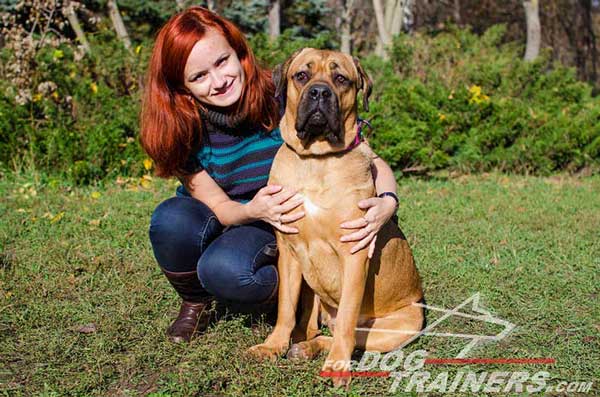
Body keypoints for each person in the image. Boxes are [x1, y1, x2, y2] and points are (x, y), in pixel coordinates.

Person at [140, 6, 401, 343]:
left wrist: (388, 202)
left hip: (279, 224)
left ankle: (285, 295)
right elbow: (219, 206)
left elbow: (369, 159)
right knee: (170, 220)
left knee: (225, 270)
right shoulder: (179, 125)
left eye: (222, 62)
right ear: (182, 86)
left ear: (239, 53)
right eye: (199, 76)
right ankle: (196, 302)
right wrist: (252, 209)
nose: (218, 81)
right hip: (231, 213)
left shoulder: (284, 94)